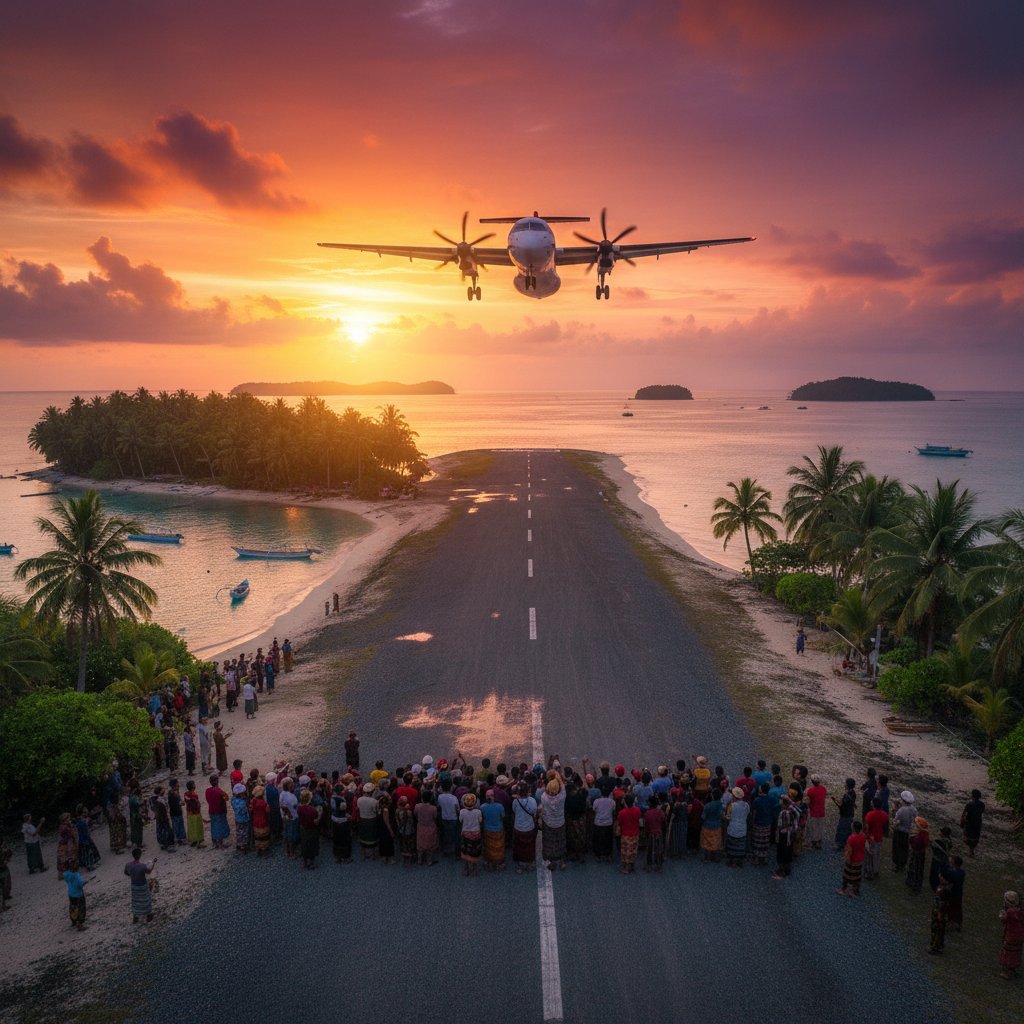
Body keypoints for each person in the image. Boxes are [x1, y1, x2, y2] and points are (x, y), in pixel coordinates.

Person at [541, 777, 567, 871]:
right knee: (560, 840)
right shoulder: (561, 797)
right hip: (560, 822)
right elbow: (563, 787)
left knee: (549, 841)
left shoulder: (544, 797)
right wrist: (559, 779)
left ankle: (551, 860)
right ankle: (561, 860)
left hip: (548, 823)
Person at [512, 783, 538, 872]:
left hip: (518, 827)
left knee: (519, 846)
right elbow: (534, 811)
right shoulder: (532, 801)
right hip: (529, 827)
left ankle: (521, 864)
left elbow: (514, 810)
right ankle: (530, 862)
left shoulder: (515, 801)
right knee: (529, 846)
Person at [125, 848, 156, 923]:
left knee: (136, 901)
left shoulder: (128, 865)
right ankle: (149, 915)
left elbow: (126, 873)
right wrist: (153, 863)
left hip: (134, 886)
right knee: (146, 900)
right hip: (142, 885)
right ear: (139, 855)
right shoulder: (142, 866)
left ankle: (135, 916)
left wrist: (132, 874)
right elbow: (149, 871)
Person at [772, 795, 798, 880]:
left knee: (781, 854)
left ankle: (782, 873)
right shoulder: (793, 810)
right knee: (788, 853)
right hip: (790, 835)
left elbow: (780, 826)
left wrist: (776, 836)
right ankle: (786, 870)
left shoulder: (783, 813)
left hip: (783, 836)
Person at [838, 821, 867, 896]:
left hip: (852, 859)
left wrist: (847, 858)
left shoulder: (851, 838)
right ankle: (856, 890)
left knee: (847, 875)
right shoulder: (863, 836)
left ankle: (844, 889)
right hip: (860, 859)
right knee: (857, 875)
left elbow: (849, 850)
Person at [999, 891, 1023, 980]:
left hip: (1010, 935)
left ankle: (1007, 971)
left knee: (1008, 952)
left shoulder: (1009, 912)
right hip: (1020, 935)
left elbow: (1003, 919)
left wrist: (1002, 915)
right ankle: (1013, 968)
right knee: (1016, 952)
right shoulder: (1020, 911)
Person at [863, 797, 888, 881]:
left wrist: (865, 835)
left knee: (869, 855)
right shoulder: (884, 814)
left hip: (871, 837)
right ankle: (876, 870)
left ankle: (869, 872)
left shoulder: (870, 814)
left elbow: (867, 827)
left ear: (873, 804)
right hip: (879, 837)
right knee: (877, 854)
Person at [617, 793, 642, 874]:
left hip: (626, 833)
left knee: (626, 850)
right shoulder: (637, 810)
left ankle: (626, 867)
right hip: (635, 833)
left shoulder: (622, 812)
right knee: (633, 849)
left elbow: (620, 822)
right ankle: (632, 864)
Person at [892, 790, 917, 872]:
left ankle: (898, 865)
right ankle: (903, 863)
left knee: (897, 848)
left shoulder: (901, 810)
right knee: (904, 848)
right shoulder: (914, 809)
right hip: (907, 831)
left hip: (900, 831)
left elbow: (896, 822)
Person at [724, 787, 749, 868]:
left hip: (733, 828)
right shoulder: (746, 805)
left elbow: (727, 817)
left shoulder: (731, 805)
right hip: (742, 829)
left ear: (734, 797)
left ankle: (731, 861)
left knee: (731, 845)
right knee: (740, 846)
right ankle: (739, 861)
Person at [459, 793, 483, 876]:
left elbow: (460, 821)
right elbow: (480, 821)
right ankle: (474, 869)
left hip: (465, 833)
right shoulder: (478, 811)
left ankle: (465, 868)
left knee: (465, 850)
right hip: (476, 833)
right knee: (475, 851)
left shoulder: (462, 811)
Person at [414, 790, 439, 867]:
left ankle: (419, 860)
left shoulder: (417, 806)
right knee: (430, 844)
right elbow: (435, 817)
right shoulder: (433, 808)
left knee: (420, 843)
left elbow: (415, 814)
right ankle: (429, 861)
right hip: (431, 827)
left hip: (420, 827)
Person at [941, 856, 966, 932]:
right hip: (959, 892)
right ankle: (958, 923)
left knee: (950, 908)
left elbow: (946, 875)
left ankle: (950, 923)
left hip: (952, 892)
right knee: (958, 908)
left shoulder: (952, 872)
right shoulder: (962, 872)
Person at [296, 790, 321, 868]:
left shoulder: (299, 808)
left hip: (303, 828)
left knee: (304, 844)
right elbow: (316, 822)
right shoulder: (313, 810)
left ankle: (305, 862)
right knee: (312, 845)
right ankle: (311, 862)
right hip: (312, 829)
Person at [699, 787, 724, 863]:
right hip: (717, 825)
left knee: (706, 841)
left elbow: (703, 817)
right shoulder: (720, 805)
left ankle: (706, 857)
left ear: (712, 796)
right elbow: (721, 815)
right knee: (715, 841)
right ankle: (714, 857)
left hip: (707, 825)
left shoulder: (707, 806)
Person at [205, 775, 230, 850]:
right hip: (220, 811)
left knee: (214, 825)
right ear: (217, 781)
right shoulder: (219, 791)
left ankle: (214, 841)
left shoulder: (208, 790)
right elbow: (226, 798)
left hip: (212, 811)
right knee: (221, 826)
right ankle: (220, 842)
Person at [63, 866, 91, 931]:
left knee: (73, 907)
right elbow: (79, 884)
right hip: (78, 894)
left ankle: (74, 920)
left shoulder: (66, 873)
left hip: (71, 894)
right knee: (81, 909)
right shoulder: (76, 874)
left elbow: (67, 881)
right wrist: (84, 882)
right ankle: (80, 924)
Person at [906, 816, 929, 893]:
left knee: (916, 869)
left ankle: (915, 886)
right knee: (916, 868)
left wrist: (912, 840)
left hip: (917, 854)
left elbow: (916, 844)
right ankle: (912, 882)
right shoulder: (924, 834)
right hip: (919, 853)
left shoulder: (920, 836)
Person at [804, 775, 827, 850]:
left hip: (813, 811)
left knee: (813, 827)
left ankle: (813, 842)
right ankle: (819, 841)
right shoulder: (823, 788)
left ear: (812, 782)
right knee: (820, 827)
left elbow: (808, 801)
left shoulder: (810, 790)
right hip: (821, 811)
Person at [644, 796, 667, 872]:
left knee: (649, 850)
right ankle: (659, 866)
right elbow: (663, 822)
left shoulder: (647, 813)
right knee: (659, 850)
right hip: (659, 833)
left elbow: (646, 825)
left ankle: (649, 866)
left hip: (651, 833)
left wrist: (646, 834)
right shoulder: (660, 812)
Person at [961, 789, 985, 857]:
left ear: (973, 796)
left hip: (969, 822)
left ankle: (970, 851)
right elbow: (981, 812)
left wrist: (962, 821)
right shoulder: (982, 804)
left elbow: (964, 814)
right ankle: (971, 851)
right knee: (974, 838)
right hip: (977, 823)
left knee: (967, 837)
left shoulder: (969, 804)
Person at [930, 876, 951, 954]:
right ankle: (938, 946)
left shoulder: (944, 892)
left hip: (938, 918)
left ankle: (936, 948)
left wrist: (940, 916)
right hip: (936, 915)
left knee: (937, 932)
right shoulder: (941, 888)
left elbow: (941, 910)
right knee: (937, 931)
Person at [929, 825, 953, 892]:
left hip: (937, 859)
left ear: (943, 833)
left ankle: (935, 888)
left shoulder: (939, 841)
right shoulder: (949, 841)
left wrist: (931, 842)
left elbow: (933, 847)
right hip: (944, 860)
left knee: (934, 875)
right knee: (940, 874)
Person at [280, 779, 300, 858]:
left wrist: (286, 812)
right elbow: (295, 807)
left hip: (285, 817)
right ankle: (292, 853)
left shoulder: (282, 793)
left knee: (287, 833)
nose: (293, 787)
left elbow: (282, 805)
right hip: (293, 817)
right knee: (292, 835)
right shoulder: (292, 797)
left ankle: (288, 850)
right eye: (292, 786)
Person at [251, 786, 271, 857]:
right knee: (264, 837)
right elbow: (267, 812)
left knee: (257, 837)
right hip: (263, 821)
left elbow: (251, 810)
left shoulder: (253, 801)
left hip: (256, 821)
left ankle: (258, 850)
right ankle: (264, 851)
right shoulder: (264, 803)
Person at [230, 784, 250, 854]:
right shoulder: (242, 802)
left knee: (239, 831)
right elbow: (244, 810)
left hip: (237, 818)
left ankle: (239, 844)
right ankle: (243, 846)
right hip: (244, 819)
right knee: (244, 832)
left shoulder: (233, 799)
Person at [0, 840, 12, 912]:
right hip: (2, 869)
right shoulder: (3, 847)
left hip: (3, 868)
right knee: (4, 885)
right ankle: (2, 906)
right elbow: (9, 853)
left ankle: (3, 902)